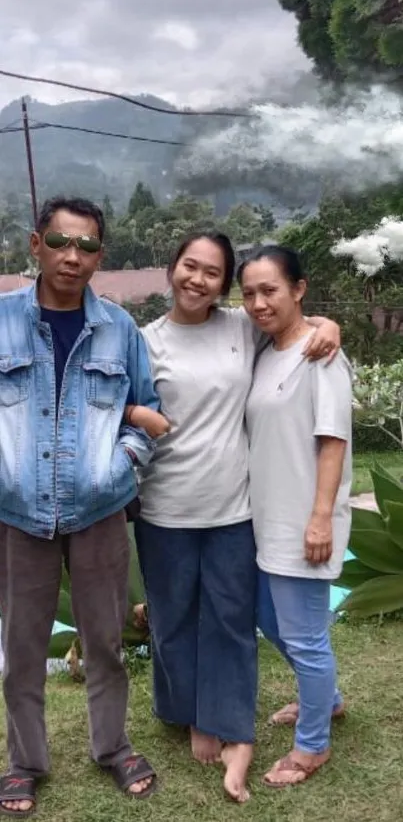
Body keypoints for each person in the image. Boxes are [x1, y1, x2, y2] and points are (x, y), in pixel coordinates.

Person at [127, 230, 341, 803]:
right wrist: (138, 412)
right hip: (164, 506)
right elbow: (107, 395)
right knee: (173, 620)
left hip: (232, 508)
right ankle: (187, 711)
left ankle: (227, 724)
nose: (198, 279)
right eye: (189, 267)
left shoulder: (241, 328)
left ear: (224, 285)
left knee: (228, 618)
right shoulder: (142, 339)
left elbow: (290, 323)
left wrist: (327, 325)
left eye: (213, 273)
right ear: (171, 270)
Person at [0, 196, 160, 817]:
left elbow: (145, 412)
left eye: (88, 245)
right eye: (61, 242)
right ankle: (24, 762)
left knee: (106, 640)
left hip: (99, 512)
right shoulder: (4, 320)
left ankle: (113, 747)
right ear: (35, 244)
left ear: (101, 254)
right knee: (21, 646)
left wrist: (119, 464)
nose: (74, 256)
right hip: (17, 514)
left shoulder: (120, 329)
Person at [239, 245, 352, 789]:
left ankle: (313, 747)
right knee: (269, 617)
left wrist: (321, 518)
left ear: (299, 289)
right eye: (250, 293)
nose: (259, 303)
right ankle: (325, 699)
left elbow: (332, 440)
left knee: (306, 638)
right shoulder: (266, 351)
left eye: (271, 290)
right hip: (267, 519)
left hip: (305, 519)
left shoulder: (320, 352)